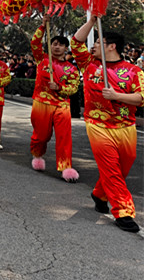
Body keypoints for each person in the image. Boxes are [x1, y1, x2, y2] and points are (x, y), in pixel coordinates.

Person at [72, 14, 143, 233]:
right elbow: (76, 42)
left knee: (122, 168)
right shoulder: (88, 64)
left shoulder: (134, 71)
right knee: (111, 167)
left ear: (111, 46)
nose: (92, 46)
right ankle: (124, 212)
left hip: (126, 126)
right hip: (98, 124)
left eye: (98, 42)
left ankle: (99, 194)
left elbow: (140, 98)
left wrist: (116, 96)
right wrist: (92, 22)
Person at [29, 14, 81, 182]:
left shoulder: (72, 69)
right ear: (50, 46)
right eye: (55, 44)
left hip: (61, 104)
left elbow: (73, 88)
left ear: (66, 48)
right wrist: (42, 26)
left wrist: (59, 88)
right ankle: (37, 154)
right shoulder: (42, 59)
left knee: (64, 136)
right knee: (42, 136)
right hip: (41, 102)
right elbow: (34, 43)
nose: (57, 47)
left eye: (61, 45)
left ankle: (66, 167)